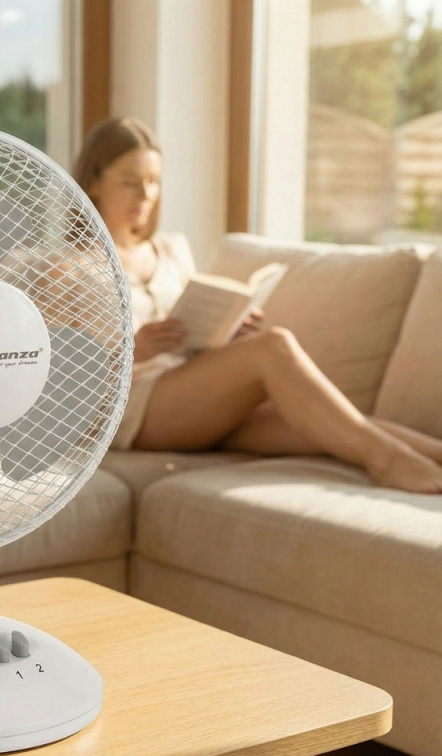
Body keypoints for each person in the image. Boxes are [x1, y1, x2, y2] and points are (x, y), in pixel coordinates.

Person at [73, 117, 442, 493]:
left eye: (153, 181)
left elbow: (190, 335)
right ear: (94, 182)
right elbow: (59, 379)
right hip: (131, 408)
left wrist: (227, 332)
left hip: (191, 395)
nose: (145, 195)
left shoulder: (171, 249)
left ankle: (432, 455)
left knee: (322, 422)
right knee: (273, 346)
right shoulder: (65, 267)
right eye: (130, 182)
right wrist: (134, 350)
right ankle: (387, 461)